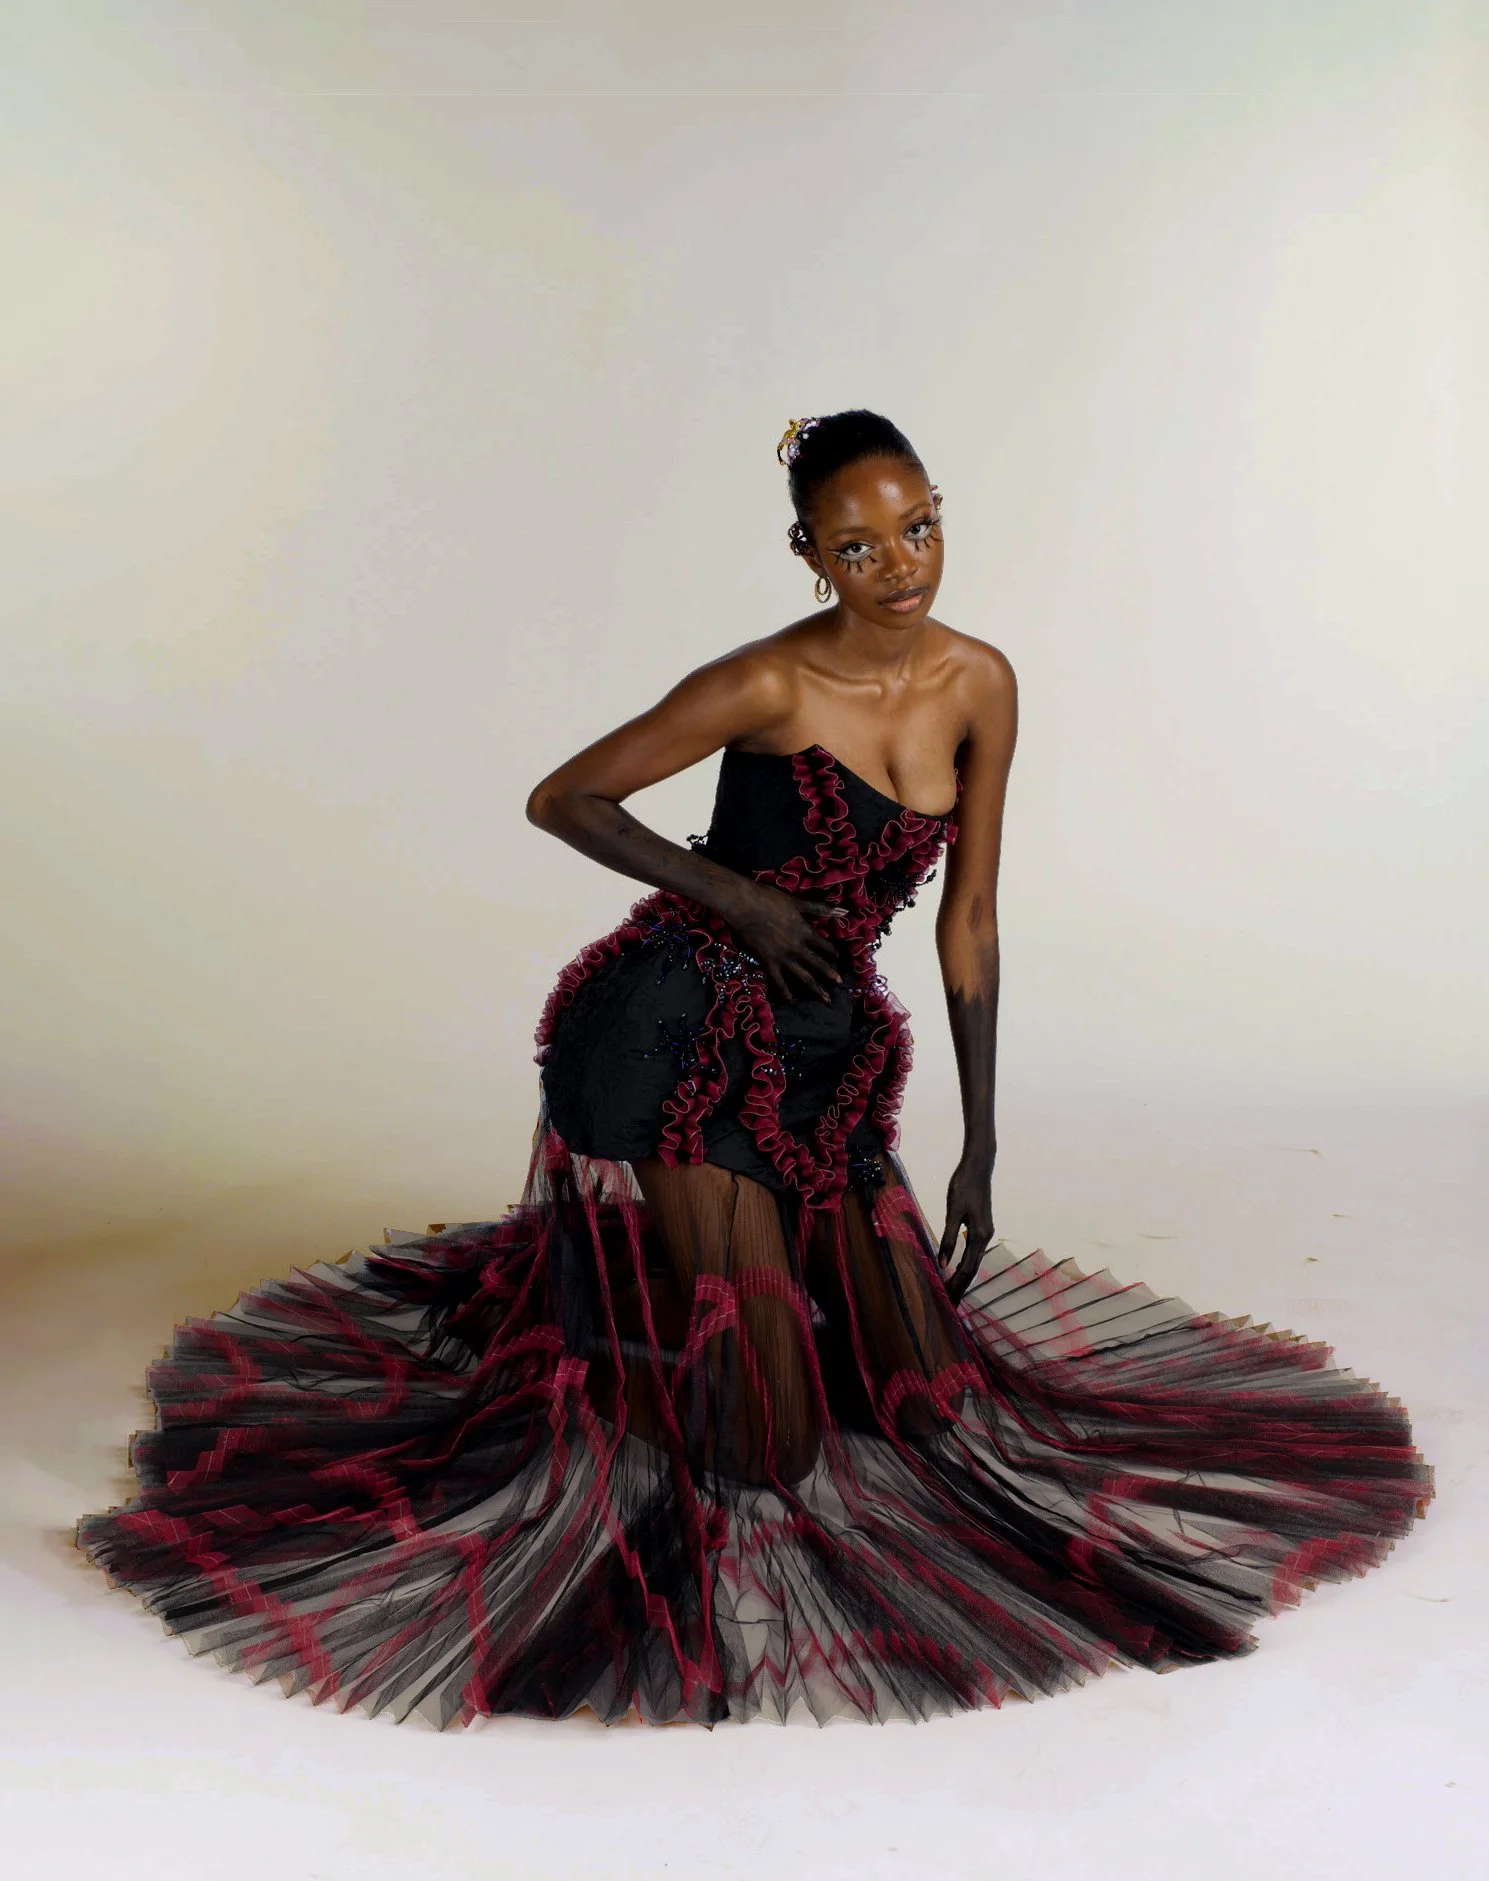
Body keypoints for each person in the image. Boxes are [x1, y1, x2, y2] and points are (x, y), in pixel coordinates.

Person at [76, 411, 1431, 1728]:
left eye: (919, 529)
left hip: (823, 1051)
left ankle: (703, 1289)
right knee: (769, 1449)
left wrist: (980, 1140)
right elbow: (564, 797)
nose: (899, 566)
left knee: (933, 1406)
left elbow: (969, 919)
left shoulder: (983, 683)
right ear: (808, 554)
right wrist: (741, 897)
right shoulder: (767, 683)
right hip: (671, 1041)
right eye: (858, 546)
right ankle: (592, 1355)